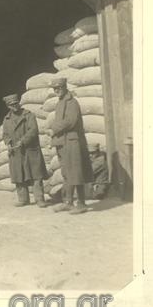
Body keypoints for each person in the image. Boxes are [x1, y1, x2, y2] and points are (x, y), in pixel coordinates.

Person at [49, 78, 94, 214]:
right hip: (63, 142)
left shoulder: (72, 102)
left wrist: (54, 129)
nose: (57, 91)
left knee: (76, 171)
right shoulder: (60, 103)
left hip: (73, 141)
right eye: (54, 89)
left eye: (59, 88)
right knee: (67, 173)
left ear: (65, 87)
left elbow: (71, 121)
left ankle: (81, 203)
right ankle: (68, 202)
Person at [1, 94, 49, 208]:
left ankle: (39, 199)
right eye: (11, 105)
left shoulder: (28, 115)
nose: (15, 106)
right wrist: (8, 143)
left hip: (30, 150)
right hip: (16, 152)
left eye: (16, 103)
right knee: (19, 175)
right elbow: (5, 134)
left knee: (36, 175)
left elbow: (33, 130)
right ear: (8, 106)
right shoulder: (6, 119)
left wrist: (22, 141)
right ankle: (23, 199)